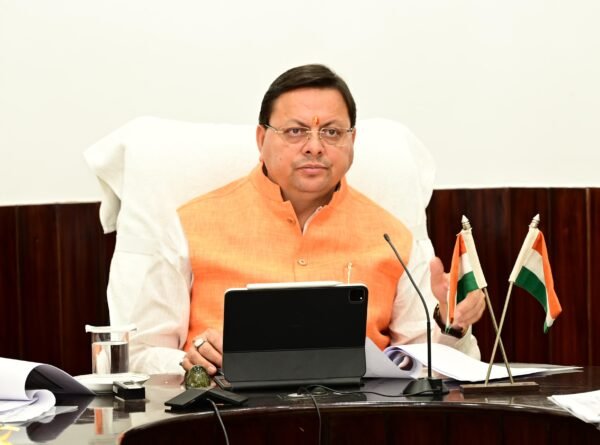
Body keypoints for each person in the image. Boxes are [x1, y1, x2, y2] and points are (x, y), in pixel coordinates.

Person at [129, 64, 485, 375]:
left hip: (359, 414)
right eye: (296, 131)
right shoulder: (190, 226)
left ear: (352, 141)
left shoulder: (393, 237)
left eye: (331, 132)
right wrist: (189, 362)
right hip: (223, 414)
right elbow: (140, 355)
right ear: (261, 138)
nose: (314, 146)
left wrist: (451, 326)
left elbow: (427, 364)